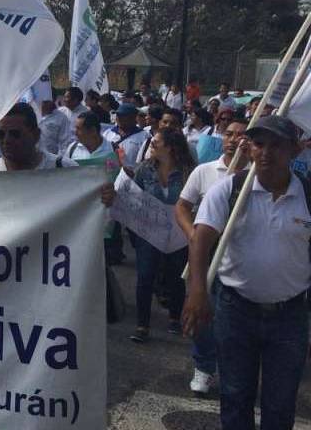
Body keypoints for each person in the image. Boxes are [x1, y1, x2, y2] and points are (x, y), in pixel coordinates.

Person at [183, 116, 311, 430]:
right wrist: (198, 292)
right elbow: (200, 240)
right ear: (249, 148)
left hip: (290, 315)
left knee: (280, 402)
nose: (265, 152)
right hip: (236, 310)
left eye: (276, 145)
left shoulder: (308, 195)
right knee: (235, 395)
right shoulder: (229, 190)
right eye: (258, 144)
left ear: (294, 150)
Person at [174, 120, 248, 395]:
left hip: (241, 260)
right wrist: (193, 234)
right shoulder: (204, 171)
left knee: (234, 319)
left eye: (240, 135)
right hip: (206, 255)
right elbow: (182, 206)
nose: (234, 140)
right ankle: (204, 366)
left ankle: (234, 371)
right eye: (229, 134)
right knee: (201, 311)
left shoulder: (256, 176)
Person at [128, 128, 195, 344]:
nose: (151, 146)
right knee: (145, 277)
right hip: (149, 232)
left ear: (171, 148)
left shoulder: (188, 172)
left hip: (178, 234)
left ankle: (175, 318)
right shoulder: (144, 169)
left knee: (176, 277)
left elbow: (195, 200)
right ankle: (142, 325)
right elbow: (133, 195)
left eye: (156, 143)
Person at [0, 103, 82, 172]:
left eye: (15, 134)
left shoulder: (66, 170)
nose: (6, 140)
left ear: (36, 135)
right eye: (0, 134)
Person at [104, 104, 148, 173]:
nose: (118, 118)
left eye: (122, 116)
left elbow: (146, 161)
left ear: (133, 118)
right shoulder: (108, 133)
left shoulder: (144, 135)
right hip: (110, 173)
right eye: (118, 115)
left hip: (132, 175)